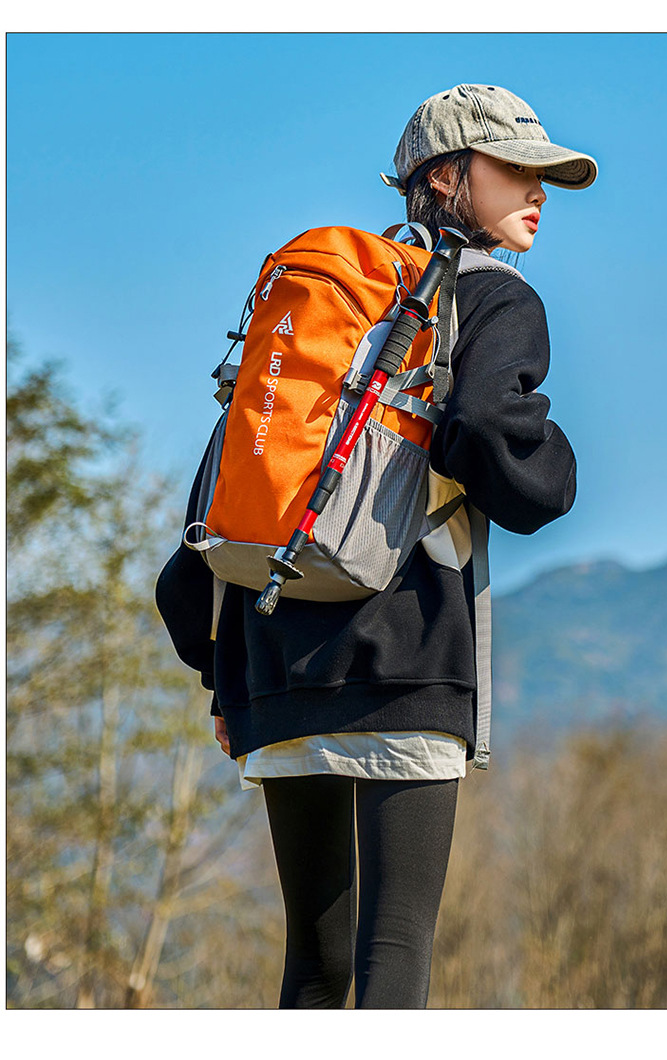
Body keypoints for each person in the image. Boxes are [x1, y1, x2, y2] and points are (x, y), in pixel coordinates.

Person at [157, 83, 597, 1009]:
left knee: (312, 970)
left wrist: (222, 677)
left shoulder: (326, 300)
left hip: (274, 664)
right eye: (514, 169)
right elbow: (492, 433)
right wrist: (556, 466)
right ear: (445, 177)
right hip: (407, 657)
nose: (537, 192)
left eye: (545, 176)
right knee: (395, 956)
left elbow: (229, 485)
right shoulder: (491, 295)